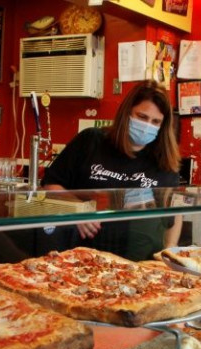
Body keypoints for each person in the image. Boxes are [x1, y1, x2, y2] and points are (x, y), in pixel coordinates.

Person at [41, 80, 182, 260]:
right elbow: (51, 185)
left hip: (140, 261)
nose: (147, 126)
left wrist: (170, 250)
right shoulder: (91, 141)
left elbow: (174, 212)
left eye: (155, 121)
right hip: (82, 256)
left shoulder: (164, 160)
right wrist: (78, 209)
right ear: (127, 113)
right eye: (142, 117)